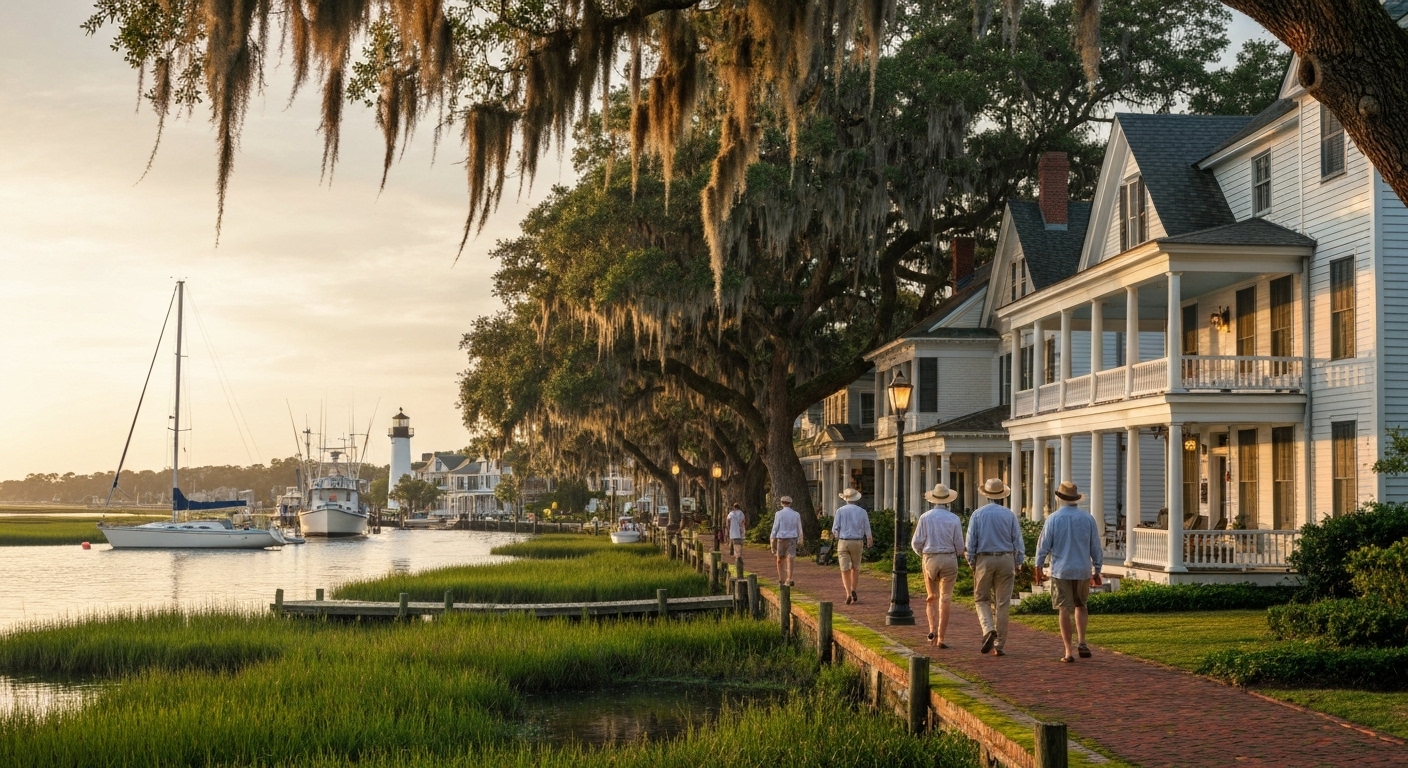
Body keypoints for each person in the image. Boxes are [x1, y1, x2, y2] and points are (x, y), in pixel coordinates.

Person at [1034, 481, 1104, 663]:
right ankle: (1082, 641)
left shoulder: (1053, 519)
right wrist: (1097, 569)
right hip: (1082, 569)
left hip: (1061, 570)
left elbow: (1043, 545)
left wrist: (1038, 566)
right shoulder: (1088, 519)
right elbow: (1095, 546)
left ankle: (1068, 651)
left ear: (1059, 498)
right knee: (1081, 605)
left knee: (1064, 608)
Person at [966, 478, 1026, 656]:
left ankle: (988, 629)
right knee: (1003, 603)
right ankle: (999, 644)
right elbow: (1017, 540)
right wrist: (1019, 561)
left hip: (984, 558)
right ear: (1002, 496)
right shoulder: (1009, 515)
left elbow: (971, 542)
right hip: (1006, 558)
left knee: (981, 599)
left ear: (986, 495)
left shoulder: (977, 514)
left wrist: (972, 562)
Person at [910, 483, 965, 647]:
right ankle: (941, 637)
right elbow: (960, 546)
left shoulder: (925, 517)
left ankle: (932, 630)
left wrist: (923, 555)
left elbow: (916, 542)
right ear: (948, 500)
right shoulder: (954, 519)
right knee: (945, 598)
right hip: (949, 558)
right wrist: (955, 554)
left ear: (932, 499)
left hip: (930, 557)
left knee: (932, 597)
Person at [831, 488, 873, 605]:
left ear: (845, 499)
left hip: (843, 541)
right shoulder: (862, 512)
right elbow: (867, 527)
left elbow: (835, 529)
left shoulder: (840, 511)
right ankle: (854, 588)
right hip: (857, 541)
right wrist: (869, 539)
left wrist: (837, 536)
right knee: (856, 567)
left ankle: (848, 593)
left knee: (844, 569)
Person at [770, 495, 803, 587]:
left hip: (781, 539)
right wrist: (800, 538)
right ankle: (789, 578)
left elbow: (775, 527)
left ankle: (781, 578)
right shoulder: (796, 514)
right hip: (792, 538)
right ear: (790, 503)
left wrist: (772, 539)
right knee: (790, 558)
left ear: (781, 503)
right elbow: (799, 527)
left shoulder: (779, 514)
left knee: (779, 559)